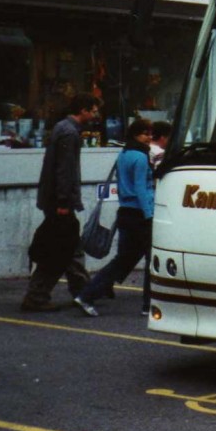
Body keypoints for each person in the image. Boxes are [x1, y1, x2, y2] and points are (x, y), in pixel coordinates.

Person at [21, 93, 102, 312]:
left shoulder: (63, 128)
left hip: (55, 199)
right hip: (59, 202)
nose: (96, 115)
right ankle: (40, 296)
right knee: (59, 250)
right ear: (83, 110)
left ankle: (83, 292)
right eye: (93, 110)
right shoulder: (69, 133)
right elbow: (64, 170)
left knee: (69, 249)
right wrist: (64, 202)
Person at [73, 118, 155, 318]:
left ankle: (87, 294)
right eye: (145, 133)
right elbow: (140, 188)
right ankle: (148, 304)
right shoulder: (141, 158)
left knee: (122, 260)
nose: (149, 137)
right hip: (140, 213)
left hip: (125, 211)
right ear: (136, 135)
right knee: (152, 261)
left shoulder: (124, 154)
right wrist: (149, 215)